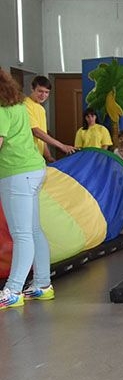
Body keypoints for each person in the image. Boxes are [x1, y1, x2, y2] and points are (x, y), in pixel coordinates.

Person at [0, 70, 53, 310]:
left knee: (21, 234)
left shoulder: (2, 109)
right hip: (33, 169)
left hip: (17, 174)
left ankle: (13, 290)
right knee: (32, 230)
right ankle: (42, 284)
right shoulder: (18, 104)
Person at [25, 76, 76, 162]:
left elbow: (42, 136)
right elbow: (36, 132)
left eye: (46, 92)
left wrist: (48, 156)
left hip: (37, 158)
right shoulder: (25, 105)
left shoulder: (41, 109)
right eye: (40, 91)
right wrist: (62, 146)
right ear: (32, 89)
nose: (43, 95)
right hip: (26, 157)